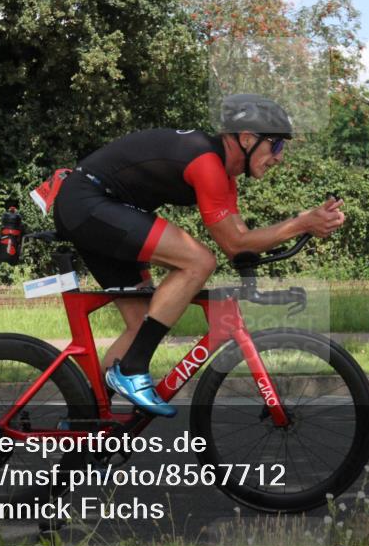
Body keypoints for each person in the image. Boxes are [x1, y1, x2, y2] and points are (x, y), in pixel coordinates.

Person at [45, 94, 346, 416]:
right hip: (89, 202)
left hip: (101, 209)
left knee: (140, 324)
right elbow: (233, 243)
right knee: (198, 261)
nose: (279, 157)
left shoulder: (225, 177)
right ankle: (131, 370)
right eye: (276, 146)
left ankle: (90, 431)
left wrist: (259, 286)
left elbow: (242, 245)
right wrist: (301, 223)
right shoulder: (206, 163)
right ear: (247, 139)